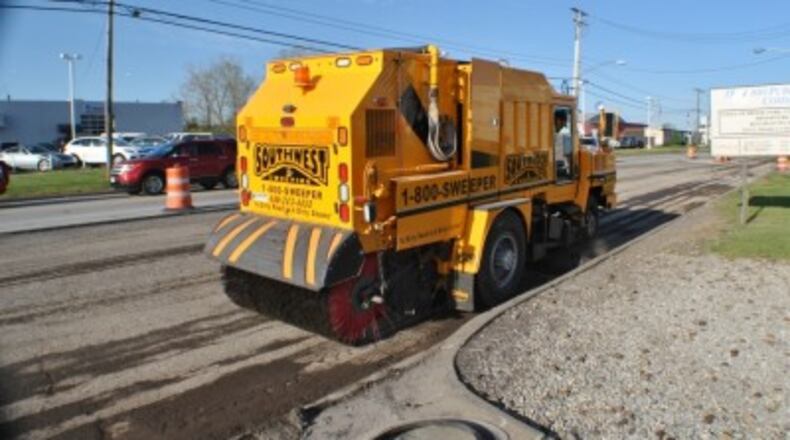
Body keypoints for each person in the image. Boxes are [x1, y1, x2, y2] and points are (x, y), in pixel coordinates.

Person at [554, 110, 571, 179]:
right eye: (562, 124)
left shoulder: (559, 135)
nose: (563, 127)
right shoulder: (562, 137)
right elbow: (568, 155)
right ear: (558, 120)